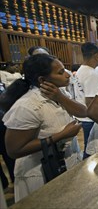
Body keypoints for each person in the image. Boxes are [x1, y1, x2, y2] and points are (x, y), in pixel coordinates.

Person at [0, 54, 86, 202]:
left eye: (64, 69)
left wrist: (60, 97)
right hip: (40, 172)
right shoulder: (28, 106)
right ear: (42, 80)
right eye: (60, 72)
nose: (67, 75)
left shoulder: (58, 92)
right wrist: (61, 135)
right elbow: (14, 150)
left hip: (64, 164)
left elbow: (83, 111)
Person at [74, 42, 98, 159]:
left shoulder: (81, 70)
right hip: (90, 119)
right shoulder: (91, 74)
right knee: (91, 150)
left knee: (88, 146)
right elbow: (90, 101)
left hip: (83, 117)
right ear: (96, 55)